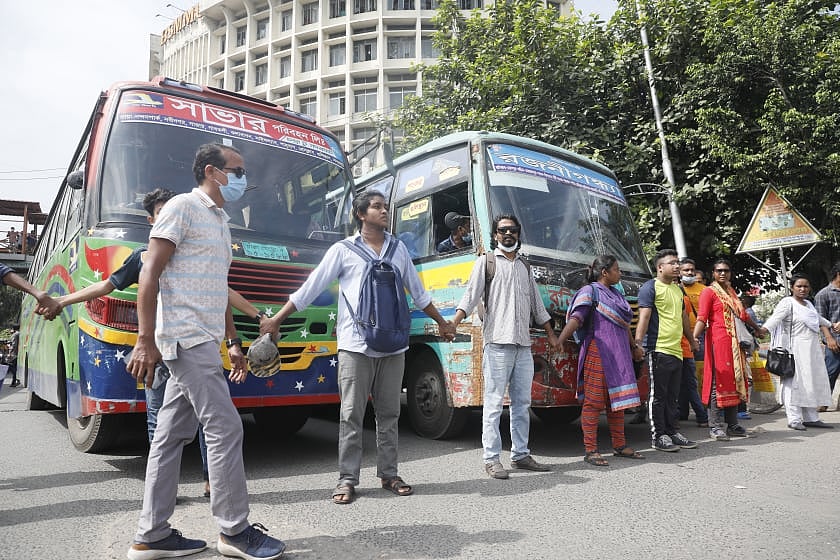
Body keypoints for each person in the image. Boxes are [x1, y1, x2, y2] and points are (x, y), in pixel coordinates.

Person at [50, 188, 266, 499]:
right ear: (152, 221)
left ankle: (212, 483)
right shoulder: (142, 258)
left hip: (191, 349)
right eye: (162, 214)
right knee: (160, 421)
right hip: (160, 353)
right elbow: (106, 285)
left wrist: (247, 326)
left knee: (210, 419)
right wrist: (63, 300)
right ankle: (166, 492)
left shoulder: (194, 253)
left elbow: (224, 295)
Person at [125, 144, 285, 560]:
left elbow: (218, 288)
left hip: (204, 338)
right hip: (185, 336)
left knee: (170, 435)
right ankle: (234, 530)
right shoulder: (182, 206)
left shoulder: (220, 221)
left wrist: (232, 340)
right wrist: (145, 339)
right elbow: (149, 273)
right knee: (226, 428)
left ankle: (152, 534)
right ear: (213, 172)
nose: (243, 179)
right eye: (238, 171)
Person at [261, 190, 455, 505]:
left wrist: (443, 323)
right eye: (377, 207)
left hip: (393, 345)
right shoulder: (343, 250)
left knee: (390, 413)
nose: (384, 212)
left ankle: (389, 474)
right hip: (355, 345)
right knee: (351, 414)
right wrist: (277, 319)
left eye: (386, 207)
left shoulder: (398, 249)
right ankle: (347, 479)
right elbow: (311, 287)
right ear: (361, 214)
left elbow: (418, 294)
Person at [452, 214, 558, 478]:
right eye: (502, 230)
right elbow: (470, 295)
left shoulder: (524, 266)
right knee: (494, 404)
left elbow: (537, 305)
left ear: (518, 233)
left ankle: (520, 455)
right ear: (495, 234)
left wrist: (552, 336)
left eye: (512, 230)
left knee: (522, 403)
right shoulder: (486, 262)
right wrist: (453, 323)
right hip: (497, 344)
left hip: (523, 345)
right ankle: (491, 459)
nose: (508, 234)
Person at [556, 255, 644, 466]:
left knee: (618, 402)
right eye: (617, 269)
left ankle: (620, 445)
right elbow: (577, 319)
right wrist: (559, 340)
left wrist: (634, 348)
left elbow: (624, 325)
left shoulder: (617, 294)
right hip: (598, 351)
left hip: (620, 353)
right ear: (605, 272)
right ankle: (591, 450)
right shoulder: (590, 292)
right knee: (594, 403)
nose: (620, 273)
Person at [691, 258, 767, 441]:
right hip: (718, 343)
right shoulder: (709, 292)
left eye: (726, 270)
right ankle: (715, 426)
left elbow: (743, 315)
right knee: (718, 383)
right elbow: (702, 317)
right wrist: (693, 338)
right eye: (719, 271)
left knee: (734, 382)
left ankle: (732, 425)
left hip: (735, 344)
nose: (723, 273)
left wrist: (757, 329)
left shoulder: (731, 292)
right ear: (713, 274)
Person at [635, 249, 699, 452]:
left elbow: (683, 319)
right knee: (658, 395)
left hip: (677, 350)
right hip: (658, 349)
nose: (677, 266)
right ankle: (659, 436)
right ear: (659, 267)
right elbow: (643, 318)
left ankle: (672, 432)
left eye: (677, 262)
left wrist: (691, 341)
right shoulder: (650, 288)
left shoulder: (678, 290)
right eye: (672, 263)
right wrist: (637, 343)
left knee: (673, 396)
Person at [763, 274, 834, 430]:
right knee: (793, 384)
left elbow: (817, 318)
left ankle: (811, 418)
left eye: (806, 286)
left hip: (811, 350)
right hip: (794, 350)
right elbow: (775, 318)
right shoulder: (787, 303)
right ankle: (794, 419)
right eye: (799, 286)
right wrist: (763, 329)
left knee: (810, 383)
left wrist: (831, 324)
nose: (803, 289)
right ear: (792, 287)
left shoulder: (808, 304)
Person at [677, 258, 709, 428]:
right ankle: (682, 411)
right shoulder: (675, 290)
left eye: (692, 270)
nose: (689, 273)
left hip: (699, 337)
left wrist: (695, 337)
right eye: (686, 270)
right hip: (679, 338)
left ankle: (703, 411)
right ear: (679, 272)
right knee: (683, 377)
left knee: (697, 375)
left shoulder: (704, 290)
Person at [814, 263, 840, 394]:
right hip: (835, 340)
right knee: (830, 371)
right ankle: (823, 400)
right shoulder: (823, 294)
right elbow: (820, 319)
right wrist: (829, 339)